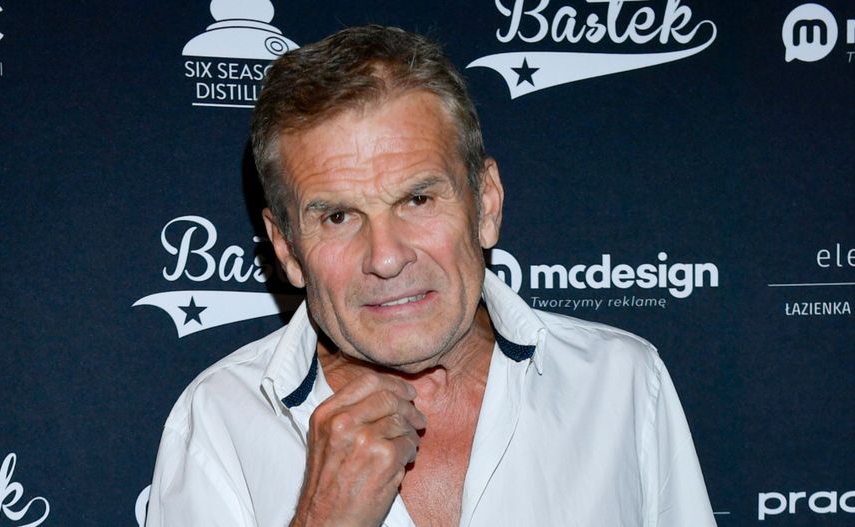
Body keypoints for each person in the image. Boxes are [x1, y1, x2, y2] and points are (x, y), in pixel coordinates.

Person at [145, 25, 717, 527]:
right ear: (286, 247)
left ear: (485, 203)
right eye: (338, 216)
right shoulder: (218, 422)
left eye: (417, 199)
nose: (386, 257)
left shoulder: (619, 383)